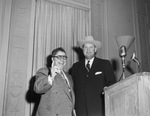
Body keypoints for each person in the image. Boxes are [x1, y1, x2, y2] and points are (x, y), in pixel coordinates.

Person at [71, 36, 116, 116]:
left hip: (99, 109)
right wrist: (73, 108)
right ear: (82, 49)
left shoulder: (105, 64)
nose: (88, 50)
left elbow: (112, 84)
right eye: (85, 47)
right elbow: (72, 89)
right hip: (80, 111)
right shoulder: (75, 67)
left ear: (95, 49)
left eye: (91, 47)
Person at [34, 47, 76, 116]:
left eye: (64, 57)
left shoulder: (69, 76)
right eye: (59, 57)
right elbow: (38, 88)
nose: (62, 60)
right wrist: (51, 77)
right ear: (52, 59)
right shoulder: (45, 71)